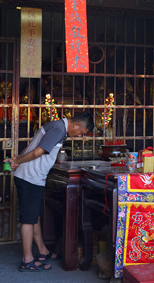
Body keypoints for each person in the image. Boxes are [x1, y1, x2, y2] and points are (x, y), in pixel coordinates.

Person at [10, 112, 94, 271]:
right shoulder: (58, 130)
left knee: (35, 216)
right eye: (81, 132)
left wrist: (16, 161)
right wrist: (18, 162)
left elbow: (30, 146)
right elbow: (36, 152)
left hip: (33, 177)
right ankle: (27, 260)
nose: (79, 136)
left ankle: (42, 251)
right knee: (29, 219)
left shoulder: (56, 127)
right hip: (30, 177)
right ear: (76, 125)